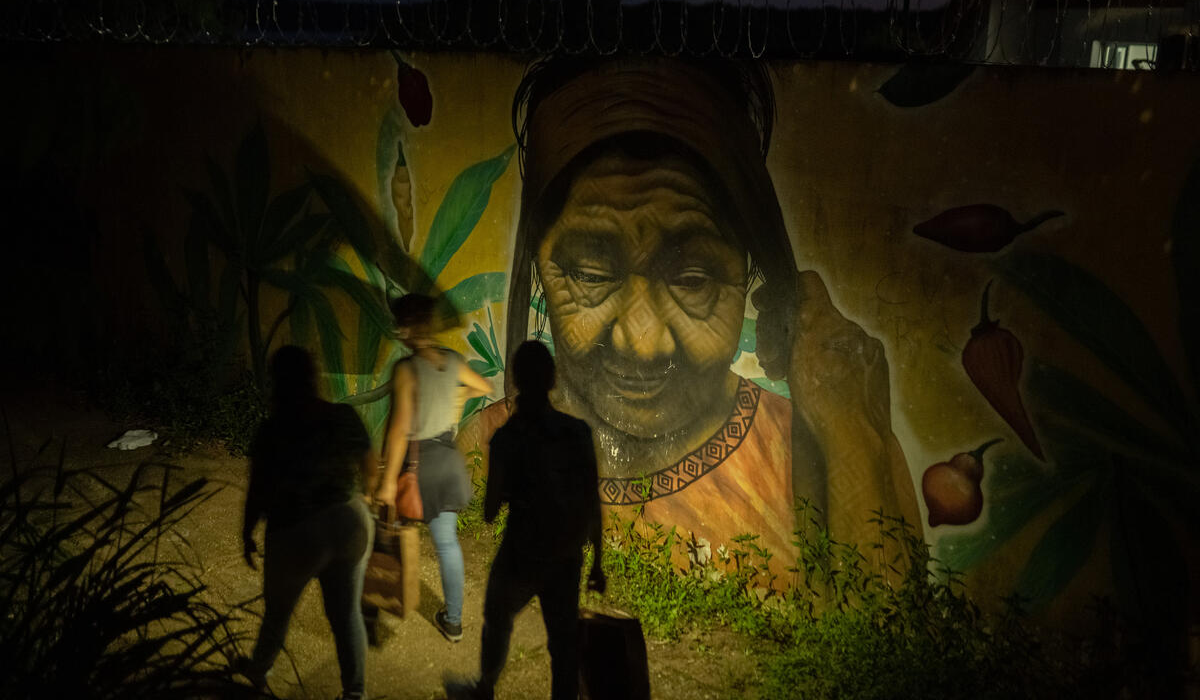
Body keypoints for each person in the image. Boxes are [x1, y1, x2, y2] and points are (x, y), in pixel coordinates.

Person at [457, 56, 919, 568]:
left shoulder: (834, 445)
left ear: (750, 269)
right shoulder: (486, 456)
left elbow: (885, 642)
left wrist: (855, 440)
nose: (642, 342)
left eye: (692, 280)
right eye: (590, 274)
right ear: (541, 267)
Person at [447, 340, 605, 700]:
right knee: (563, 645)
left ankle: (485, 686)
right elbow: (590, 499)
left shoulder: (507, 438)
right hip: (566, 554)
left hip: (522, 553)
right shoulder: (576, 431)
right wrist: (597, 562)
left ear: (516, 380)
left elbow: (488, 514)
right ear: (552, 379)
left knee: (497, 619)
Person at [240, 345, 375, 700]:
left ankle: (257, 672)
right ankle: (354, 693)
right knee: (346, 616)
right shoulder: (342, 416)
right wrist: (367, 498)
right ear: (313, 377)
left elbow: (258, 488)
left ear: (277, 382)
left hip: (295, 532)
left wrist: (247, 532)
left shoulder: (271, 430)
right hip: (348, 523)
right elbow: (368, 463)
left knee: (278, 613)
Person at [373, 292, 492, 642]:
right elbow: (484, 386)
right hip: (447, 460)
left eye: (400, 323)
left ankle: (376, 602)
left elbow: (399, 430)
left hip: (418, 464)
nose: (397, 329)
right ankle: (452, 621)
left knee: (385, 534)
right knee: (447, 543)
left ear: (409, 327)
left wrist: (386, 483)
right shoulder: (452, 360)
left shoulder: (407, 369)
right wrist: (460, 397)